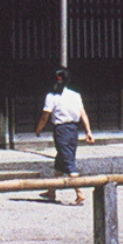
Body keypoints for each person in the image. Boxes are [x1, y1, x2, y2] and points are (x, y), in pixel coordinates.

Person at [35, 68, 95, 206]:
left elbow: (45, 116)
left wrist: (39, 129)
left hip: (61, 130)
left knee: (68, 161)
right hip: (73, 129)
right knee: (61, 160)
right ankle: (51, 190)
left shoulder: (52, 97)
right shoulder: (75, 95)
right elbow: (83, 114)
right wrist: (88, 131)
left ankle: (80, 193)